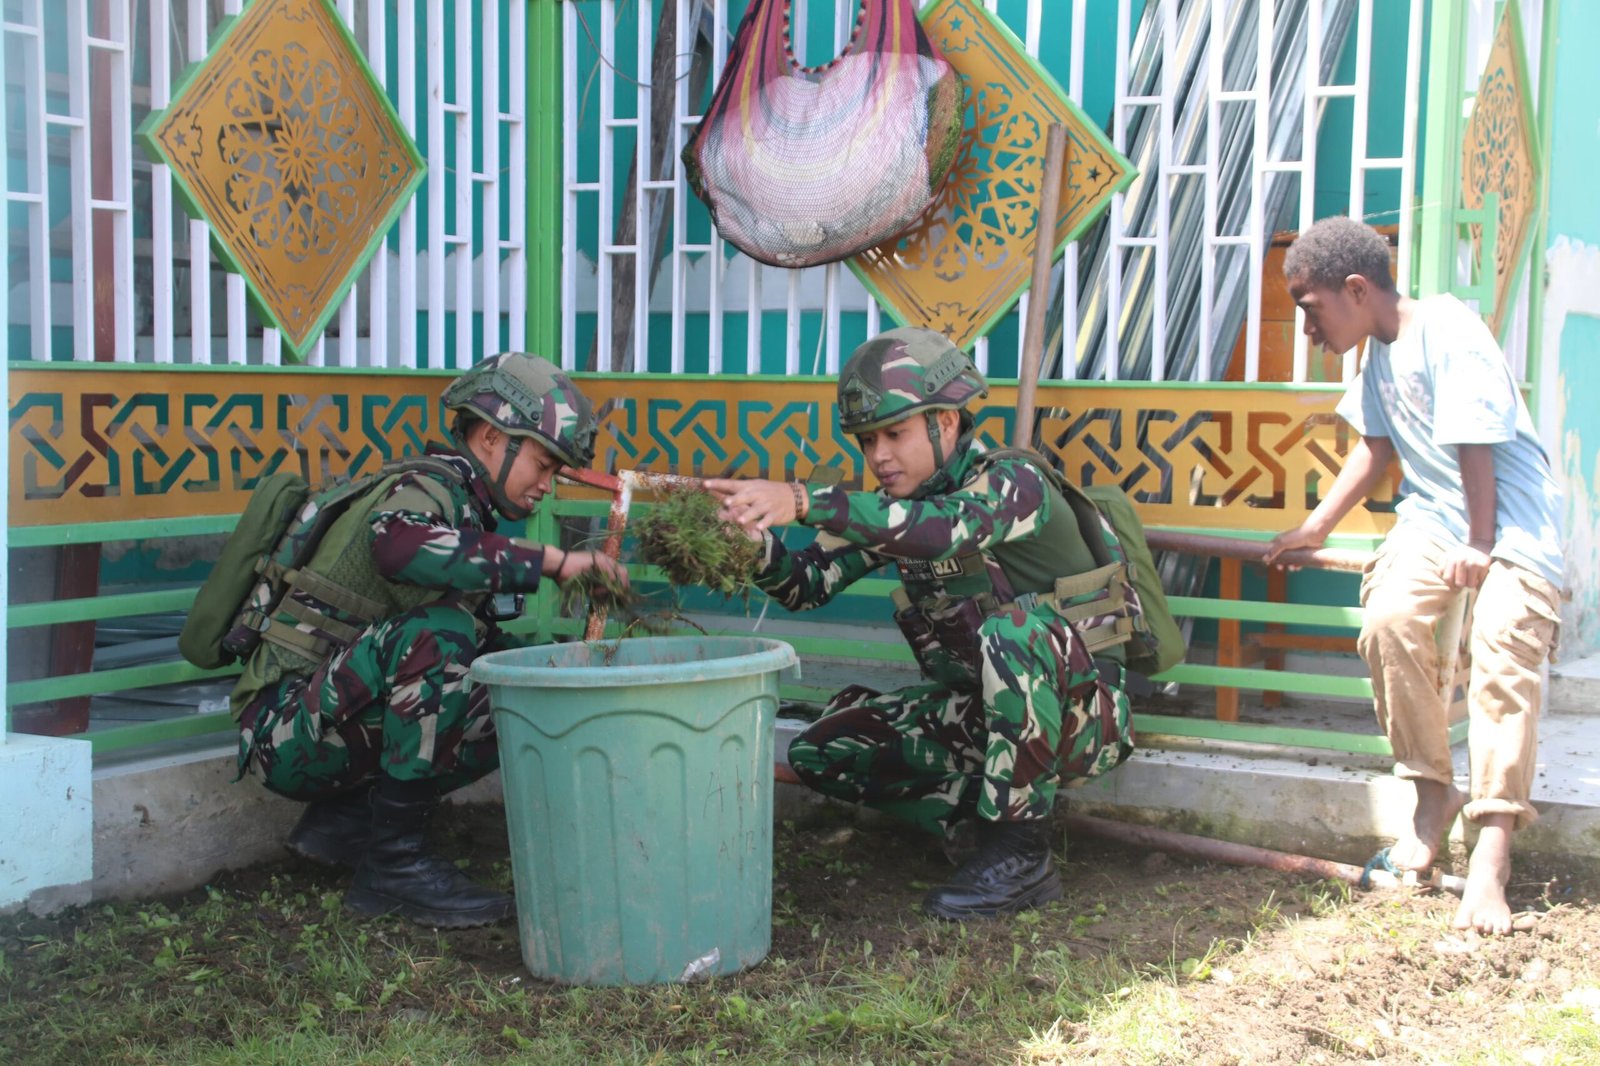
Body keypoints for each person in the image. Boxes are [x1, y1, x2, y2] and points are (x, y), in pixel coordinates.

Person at [707, 326, 1134, 921]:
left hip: (1085, 719)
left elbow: (944, 529)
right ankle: (975, 823)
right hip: (984, 723)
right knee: (823, 751)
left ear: (948, 423)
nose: (878, 456)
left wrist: (806, 501)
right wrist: (754, 544)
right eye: (866, 441)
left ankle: (1020, 854)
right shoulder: (897, 511)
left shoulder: (1016, 483)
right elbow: (807, 585)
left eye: (895, 434)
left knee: (1012, 631)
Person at [232, 352, 628, 928]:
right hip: (284, 731)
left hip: (325, 722)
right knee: (438, 636)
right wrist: (555, 562)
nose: (547, 486)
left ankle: (347, 823)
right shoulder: (427, 487)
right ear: (491, 436)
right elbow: (398, 549)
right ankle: (394, 865)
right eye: (542, 465)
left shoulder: (463, 504)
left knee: (518, 691)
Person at [1264, 216, 1564, 935]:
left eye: (1311, 309)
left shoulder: (1450, 332)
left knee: (1502, 650)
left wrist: (1483, 543)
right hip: (1436, 518)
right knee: (1388, 622)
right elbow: (1374, 448)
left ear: (1358, 289)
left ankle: (1492, 852)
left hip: (1512, 520)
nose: (1307, 329)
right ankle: (1433, 791)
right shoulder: (1378, 351)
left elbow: (1475, 446)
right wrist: (1316, 527)